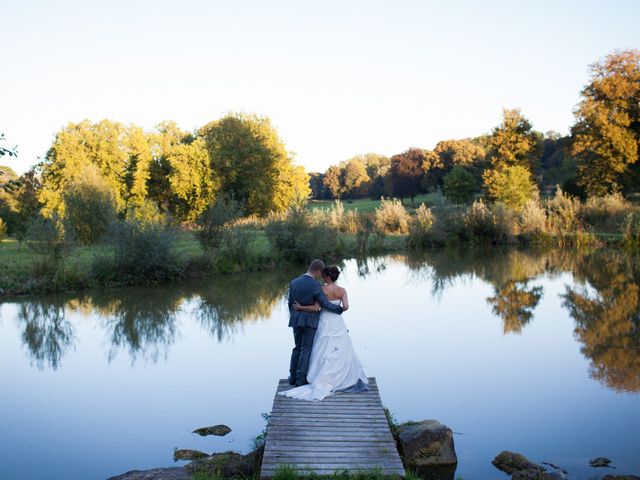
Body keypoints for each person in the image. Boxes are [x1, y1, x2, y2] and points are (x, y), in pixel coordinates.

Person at [281, 265, 368, 401]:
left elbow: (317, 307)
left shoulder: (320, 289)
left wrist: (299, 308)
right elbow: (345, 307)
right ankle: (341, 375)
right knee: (338, 348)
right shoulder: (342, 290)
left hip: (322, 322)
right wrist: (339, 309)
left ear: (326, 276)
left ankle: (300, 377)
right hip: (337, 323)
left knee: (313, 348)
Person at [287, 259, 344, 387]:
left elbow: (290, 303)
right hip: (310, 321)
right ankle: (300, 380)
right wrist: (339, 309)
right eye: (320, 273)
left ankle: (292, 377)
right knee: (306, 349)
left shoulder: (294, 282)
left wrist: (295, 315)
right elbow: (324, 303)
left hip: (296, 320)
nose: (320, 276)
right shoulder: (315, 285)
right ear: (317, 272)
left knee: (297, 348)